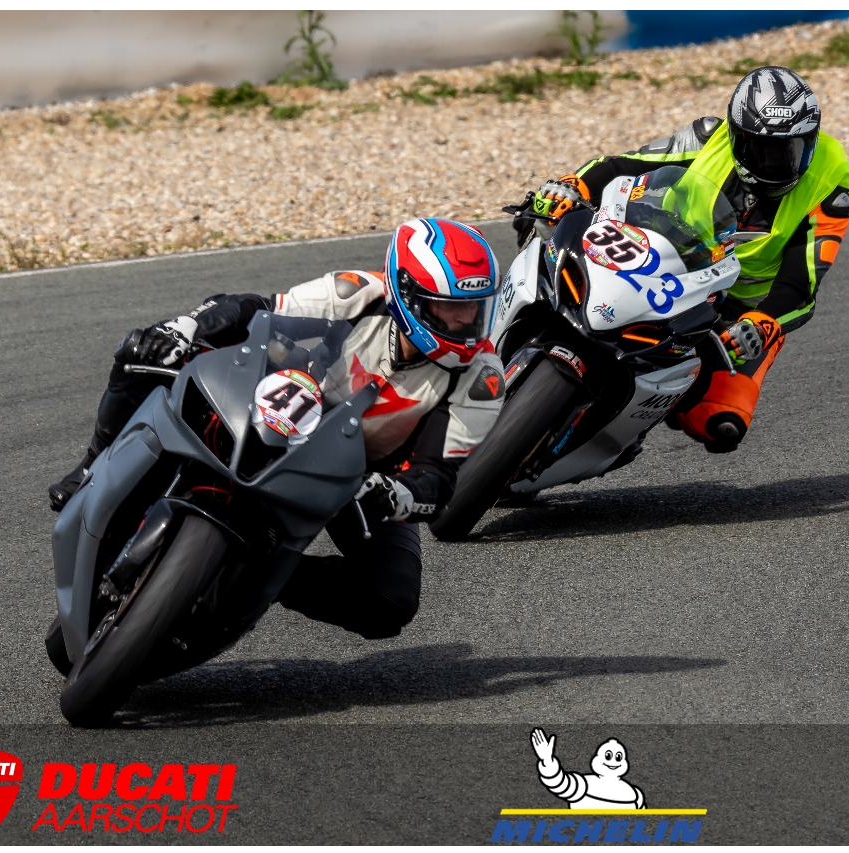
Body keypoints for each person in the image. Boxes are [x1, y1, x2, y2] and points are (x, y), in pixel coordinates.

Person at [48, 218, 507, 640]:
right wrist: (185, 328)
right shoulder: (358, 292)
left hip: (359, 476)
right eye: (449, 308)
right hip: (283, 403)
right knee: (141, 350)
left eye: (474, 308)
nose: (465, 323)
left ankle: (264, 573)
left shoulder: (483, 378)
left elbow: (437, 474)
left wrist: (397, 493)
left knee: (391, 600)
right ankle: (91, 466)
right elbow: (257, 310)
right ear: (406, 294)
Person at [527, 67, 849, 453]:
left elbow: (800, 286)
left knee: (721, 424)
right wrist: (571, 186)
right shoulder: (707, 135)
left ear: (811, 141)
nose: (773, 163)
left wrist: (762, 323)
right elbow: (622, 165)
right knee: (553, 244)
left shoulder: (833, 189)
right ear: (735, 135)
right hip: (664, 254)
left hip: (737, 308)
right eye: (759, 149)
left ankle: (634, 420)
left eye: (790, 151)